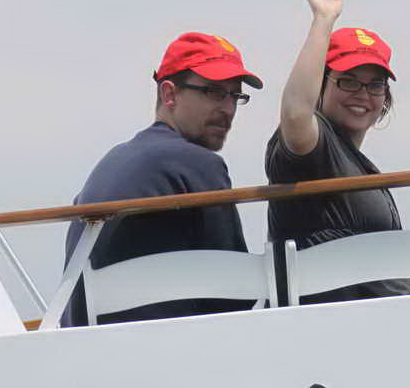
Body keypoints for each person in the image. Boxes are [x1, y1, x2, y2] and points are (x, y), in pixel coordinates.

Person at [61, 32, 263, 326]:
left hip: (88, 340)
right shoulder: (195, 162)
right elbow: (233, 293)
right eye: (215, 92)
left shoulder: (115, 159)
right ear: (169, 95)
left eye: (236, 96)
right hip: (159, 343)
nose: (228, 109)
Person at [265, 0, 410, 304]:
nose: (362, 94)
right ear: (321, 85)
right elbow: (296, 113)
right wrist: (323, 21)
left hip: (393, 311)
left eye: (374, 85)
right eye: (348, 81)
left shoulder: (359, 164)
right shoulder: (316, 147)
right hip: (345, 320)